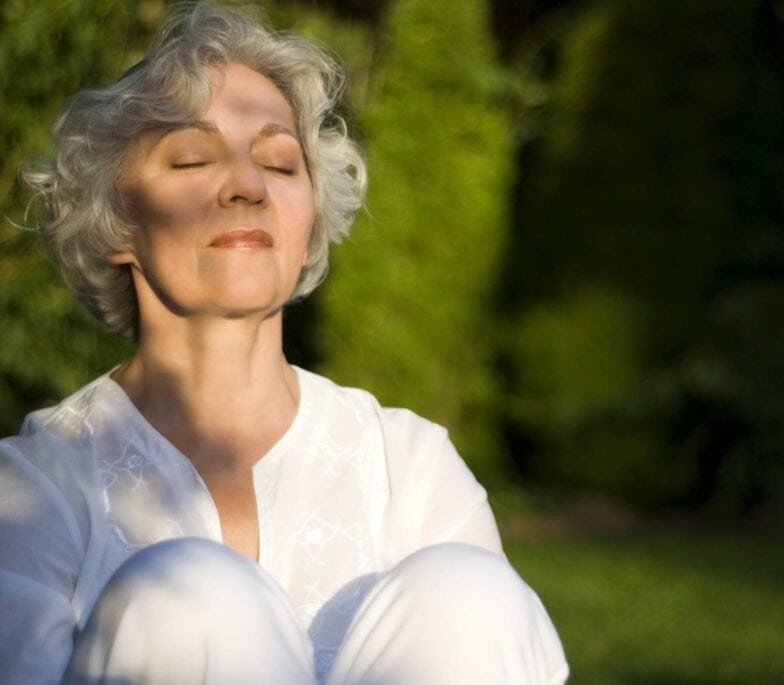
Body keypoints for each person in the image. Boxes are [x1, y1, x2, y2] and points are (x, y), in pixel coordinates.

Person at [0, 3, 568, 684]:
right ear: (118, 223)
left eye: (278, 162)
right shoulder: (36, 489)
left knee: (471, 594)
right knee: (194, 596)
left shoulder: (409, 467)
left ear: (309, 223)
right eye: (191, 158)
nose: (246, 186)